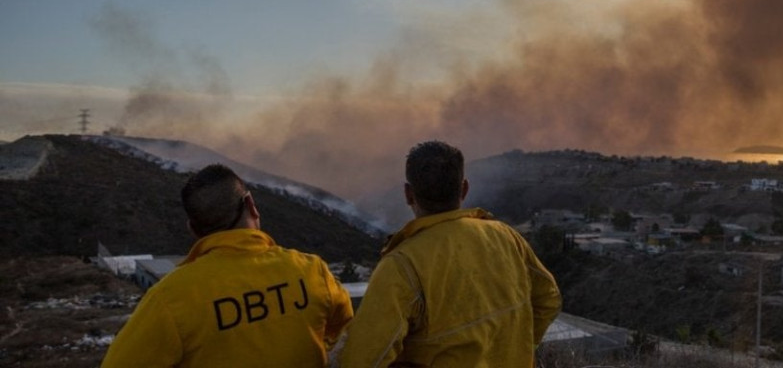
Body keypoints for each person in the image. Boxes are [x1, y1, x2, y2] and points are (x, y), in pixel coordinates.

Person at [101, 164, 352, 368]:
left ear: (193, 229)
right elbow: (343, 328)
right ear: (251, 205)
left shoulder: (171, 299)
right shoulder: (311, 271)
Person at [341, 140, 561, 368]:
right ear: (464, 189)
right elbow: (549, 299)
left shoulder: (401, 265)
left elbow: (362, 360)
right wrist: (523, 347)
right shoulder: (505, 237)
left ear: (408, 194)